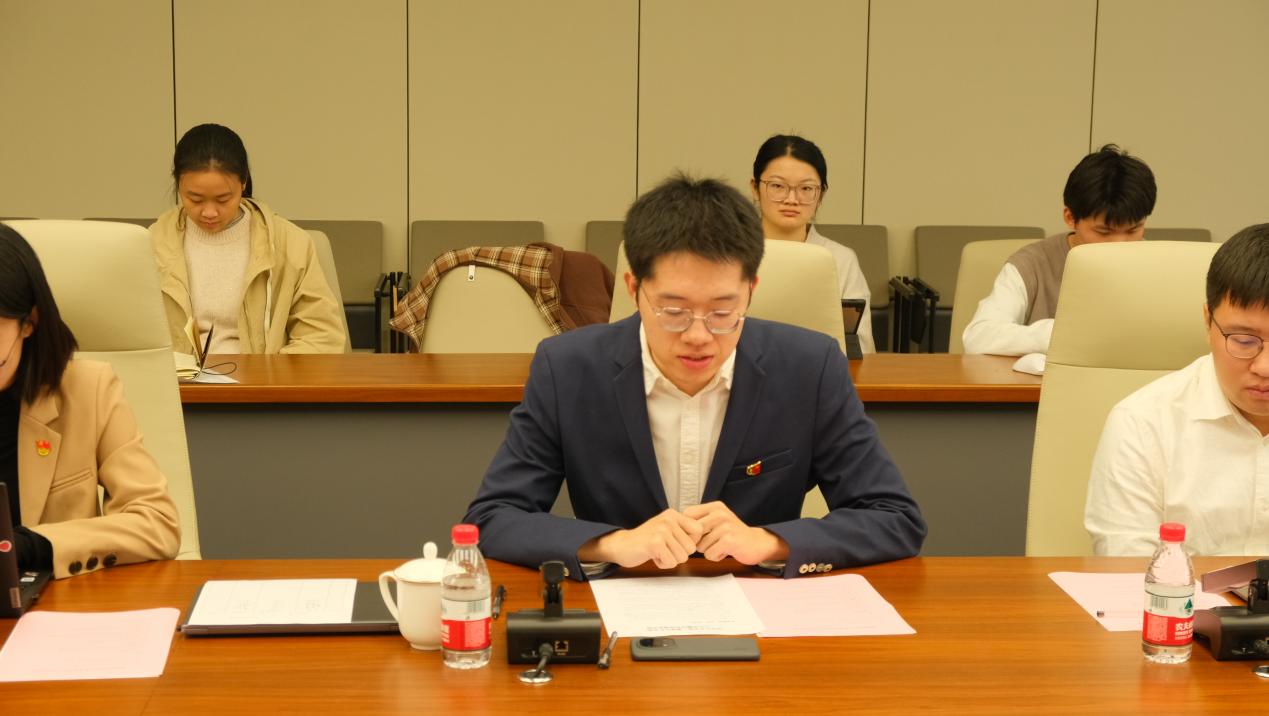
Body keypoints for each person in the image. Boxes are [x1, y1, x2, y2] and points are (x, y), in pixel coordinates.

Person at [464, 174, 926, 579]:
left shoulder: (810, 367)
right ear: (634, 288)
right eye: (673, 311)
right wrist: (611, 545)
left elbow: (894, 518)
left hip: (762, 614)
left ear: (751, 290)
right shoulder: (568, 368)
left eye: (723, 312)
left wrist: (768, 542)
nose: (699, 336)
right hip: (624, 611)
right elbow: (493, 517)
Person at [0, 224, 180, 578]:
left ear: (29, 323)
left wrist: (35, 546)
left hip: (51, 602)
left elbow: (157, 523)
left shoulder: (88, 391)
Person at [1085, 224, 1269, 556]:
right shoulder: (1142, 423)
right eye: (1244, 341)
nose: (1264, 367)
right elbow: (1130, 569)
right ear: (1207, 322)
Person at [149, 123, 346, 355]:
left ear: (243, 183)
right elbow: (127, 334)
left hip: (264, 377)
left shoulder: (289, 243)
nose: (209, 212)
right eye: (195, 199)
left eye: (223, 199)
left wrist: (267, 374)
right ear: (178, 185)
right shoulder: (151, 244)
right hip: (177, 378)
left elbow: (322, 337)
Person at [962, 144, 1156, 356]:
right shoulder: (1032, 264)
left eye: (1133, 230)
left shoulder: (1161, 265)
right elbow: (978, 337)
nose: (1119, 245)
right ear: (1070, 217)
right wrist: (1063, 334)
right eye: (1103, 231)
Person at [751, 134, 876, 353]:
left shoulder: (841, 259)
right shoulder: (728, 254)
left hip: (821, 370)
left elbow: (861, 348)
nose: (792, 199)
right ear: (755, 188)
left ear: (821, 195)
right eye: (777, 186)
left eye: (806, 189)